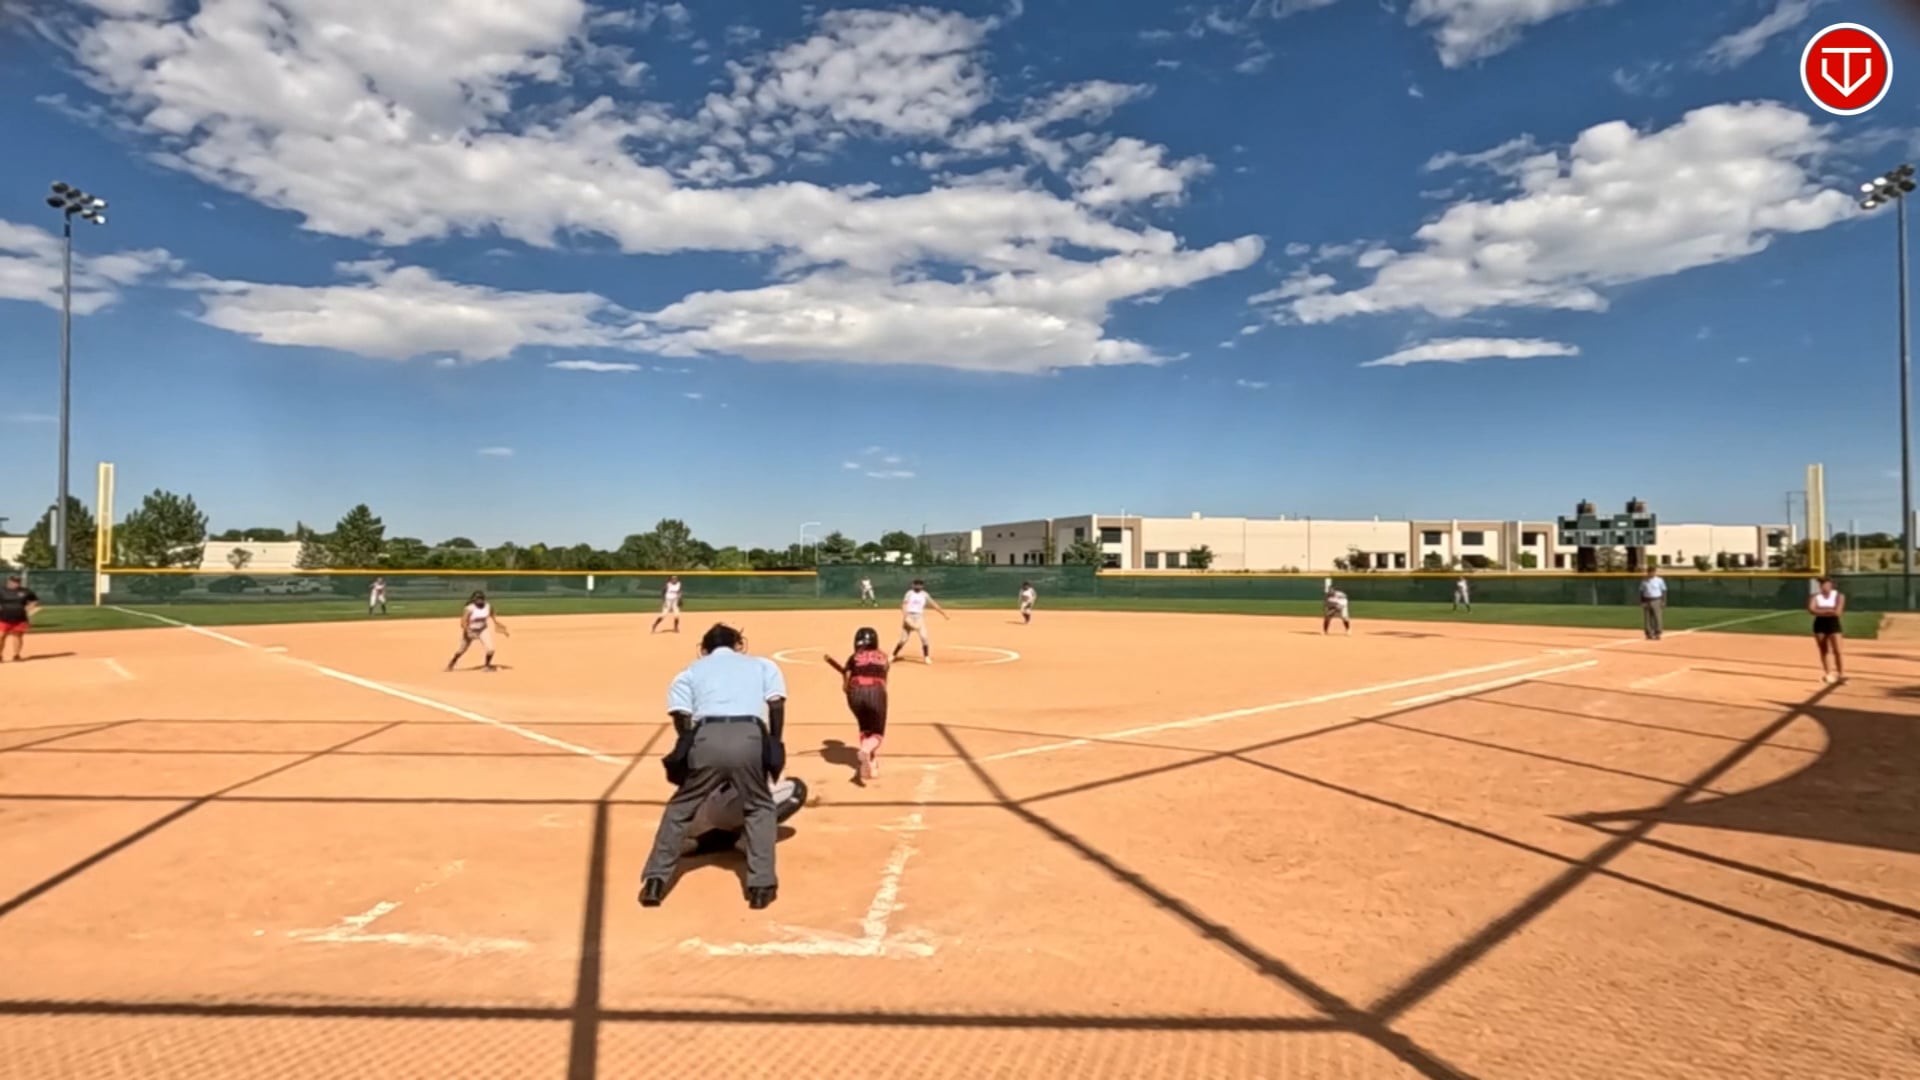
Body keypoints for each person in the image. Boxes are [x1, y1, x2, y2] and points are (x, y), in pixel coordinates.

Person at [640, 623, 785, 910]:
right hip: (749, 736)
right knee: (759, 807)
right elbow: (776, 705)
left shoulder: (690, 671)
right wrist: (774, 743)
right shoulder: (762, 665)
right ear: (738, 644)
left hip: (706, 735)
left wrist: (692, 748)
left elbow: (681, 717)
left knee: (679, 809)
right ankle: (761, 887)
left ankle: (655, 881)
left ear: (705, 648)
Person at [825, 627, 890, 781]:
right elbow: (885, 681)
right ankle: (867, 750)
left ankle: (869, 765)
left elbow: (845, 686)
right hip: (876, 690)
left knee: (865, 727)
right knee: (877, 733)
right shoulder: (883, 657)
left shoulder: (853, 657)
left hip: (855, 692)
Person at [686, 776, 809, 855]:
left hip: (705, 807)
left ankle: (698, 842)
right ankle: (750, 839)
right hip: (737, 806)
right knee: (798, 789)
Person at [447, 590, 508, 671]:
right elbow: (463, 622)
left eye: (481, 598)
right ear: (474, 599)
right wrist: (467, 631)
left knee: (490, 649)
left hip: (482, 630)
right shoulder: (469, 608)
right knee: (461, 650)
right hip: (470, 630)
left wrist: (496, 623)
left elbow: (492, 614)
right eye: (477, 598)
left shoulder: (488, 606)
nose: (479, 600)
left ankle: (487, 666)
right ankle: (452, 662)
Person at [894, 579, 948, 664]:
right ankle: (893, 655)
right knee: (903, 640)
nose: (918, 586)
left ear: (922, 586)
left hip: (919, 618)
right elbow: (903, 605)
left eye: (920, 584)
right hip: (909, 616)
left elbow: (933, 604)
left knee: (924, 637)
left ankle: (926, 657)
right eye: (916, 584)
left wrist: (943, 613)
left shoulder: (924, 594)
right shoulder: (909, 593)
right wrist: (906, 617)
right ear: (912, 585)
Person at [1808, 576, 1846, 683]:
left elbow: (1838, 612)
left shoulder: (1839, 596)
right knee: (1824, 650)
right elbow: (1811, 610)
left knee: (1838, 650)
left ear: (1830, 585)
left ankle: (1841, 674)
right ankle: (1828, 673)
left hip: (1833, 623)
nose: (1823, 586)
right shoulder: (1815, 596)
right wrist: (1829, 610)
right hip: (1820, 624)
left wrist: (1820, 610)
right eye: (1821, 584)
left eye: (1825, 584)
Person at [0, 573, 41, 662]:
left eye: (18, 581)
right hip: (4, 618)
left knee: (17, 636)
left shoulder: (25, 591)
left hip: (20, 618)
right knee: (1, 636)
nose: (16, 583)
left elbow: (35, 600)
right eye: (14, 581)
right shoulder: (2, 590)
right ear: (9, 581)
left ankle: (16, 655)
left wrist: (29, 608)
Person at [1639, 565, 1667, 641]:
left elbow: (1664, 591)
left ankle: (1657, 633)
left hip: (1656, 599)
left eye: (1652, 571)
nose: (1651, 573)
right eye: (1649, 571)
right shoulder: (1644, 581)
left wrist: (1663, 601)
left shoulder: (1659, 580)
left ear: (1655, 572)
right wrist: (1642, 601)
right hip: (1647, 600)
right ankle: (1649, 633)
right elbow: (1641, 591)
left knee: (1657, 617)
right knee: (1647, 618)